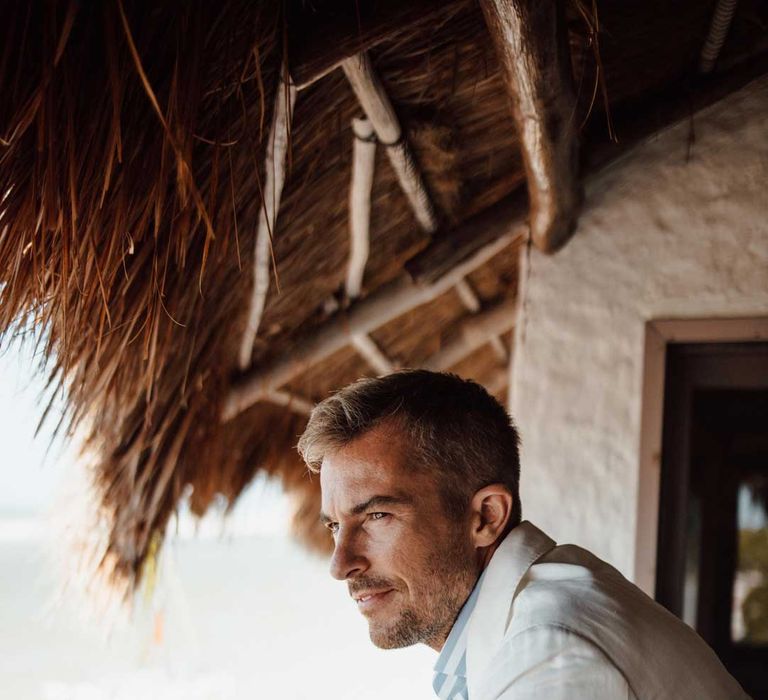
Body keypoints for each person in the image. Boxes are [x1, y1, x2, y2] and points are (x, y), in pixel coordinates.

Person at [298, 370, 749, 699]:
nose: (341, 565)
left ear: (486, 517)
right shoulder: (539, 612)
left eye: (377, 516)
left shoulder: (551, 650)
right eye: (336, 526)